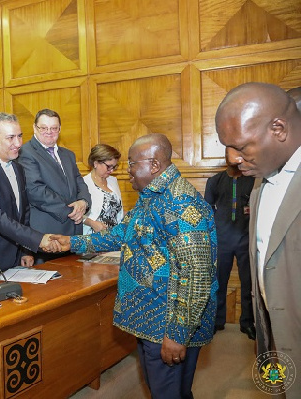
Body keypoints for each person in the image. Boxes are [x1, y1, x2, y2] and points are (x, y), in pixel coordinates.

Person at [51, 134, 217, 399]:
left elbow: (195, 274)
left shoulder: (180, 202)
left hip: (168, 323)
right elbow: (121, 233)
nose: (126, 171)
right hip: (153, 318)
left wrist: (177, 334)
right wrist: (71, 242)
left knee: (168, 392)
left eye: (131, 164)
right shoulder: (151, 195)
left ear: (153, 165)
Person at [216, 82, 301, 397]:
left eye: (240, 146)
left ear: (278, 129)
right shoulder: (261, 178)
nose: (233, 158)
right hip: (275, 337)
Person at [0, 113, 59, 280]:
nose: (18, 143)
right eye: (11, 138)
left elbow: (23, 212)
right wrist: (38, 239)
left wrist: (25, 250)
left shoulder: (17, 167)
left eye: (20, 136)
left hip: (13, 260)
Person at [19, 108, 91, 263]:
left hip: (73, 233)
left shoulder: (68, 154)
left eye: (54, 128)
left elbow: (80, 182)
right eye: (43, 128)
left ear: (60, 129)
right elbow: (36, 191)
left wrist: (83, 202)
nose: (49, 132)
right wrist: (72, 211)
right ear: (34, 128)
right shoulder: (26, 152)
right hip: (47, 235)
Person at [204, 148, 255, 339]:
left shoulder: (253, 181)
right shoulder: (215, 181)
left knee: (248, 282)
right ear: (225, 156)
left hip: (245, 239)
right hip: (221, 240)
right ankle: (217, 321)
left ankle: (247, 322)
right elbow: (207, 212)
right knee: (218, 282)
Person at [82, 144, 123, 235]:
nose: (111, 170)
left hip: (113, 236)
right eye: (109, 166)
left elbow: (116, 210)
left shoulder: (113, 181)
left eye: (114, 167)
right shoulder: (83, 183)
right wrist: (92, 223)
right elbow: (73, 213)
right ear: (96, 163)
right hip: (92, 237)